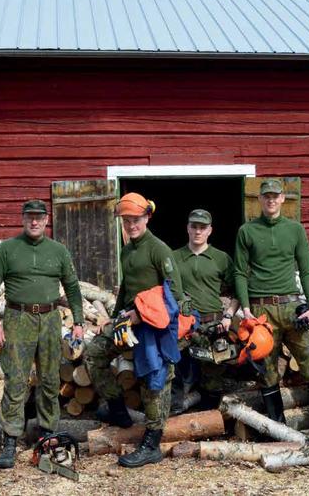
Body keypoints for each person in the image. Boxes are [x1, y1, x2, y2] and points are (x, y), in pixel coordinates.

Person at [84, 192, 187, 468]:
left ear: (147, 217)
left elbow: (174, 293)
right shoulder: (127, 249)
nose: (131, 225)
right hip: (128, 318)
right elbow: (127, 290)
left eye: (136, 219)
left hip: (154, 323)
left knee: (154, 377)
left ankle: (152, 442)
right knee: (94, 354)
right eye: (126, 220)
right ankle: (119, 409)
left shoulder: (159, 249)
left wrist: (141, 315)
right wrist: (115, 315)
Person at [0, 199, 85, 469]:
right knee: (15, 380)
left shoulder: (58, 251)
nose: (35, 221)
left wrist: (78, 321)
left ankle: (47, 434)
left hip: (50, 319)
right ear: (23, 218)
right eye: (30, 216)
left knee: (50, 380)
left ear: (46, 219)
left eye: (39, 217)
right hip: (18, 318)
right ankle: (9, 439)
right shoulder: (8, 249)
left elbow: (72, 287)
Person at [233, 178, 309, 448]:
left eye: (276, 196)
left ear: (283, 199)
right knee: (266, 371)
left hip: (291, 307)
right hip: (260, 309)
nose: (271, 200)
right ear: (260, 200)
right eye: (266, 196)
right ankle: (278, 429)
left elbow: (307, 268)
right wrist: (245, 309)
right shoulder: (247, 231)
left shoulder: (295, 230)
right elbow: (240, 272)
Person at [171, 209, 238, 411]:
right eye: (194, 226)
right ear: (187, 228)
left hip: (213, 324)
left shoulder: (221, 258)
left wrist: (228, 316)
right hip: (184, 325)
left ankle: (209, 423)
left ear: (210, 230)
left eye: (203, 227)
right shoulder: (174, 257)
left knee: (212, 378)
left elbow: (237, 292)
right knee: (176, 372)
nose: (198, 231)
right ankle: (175, 421)